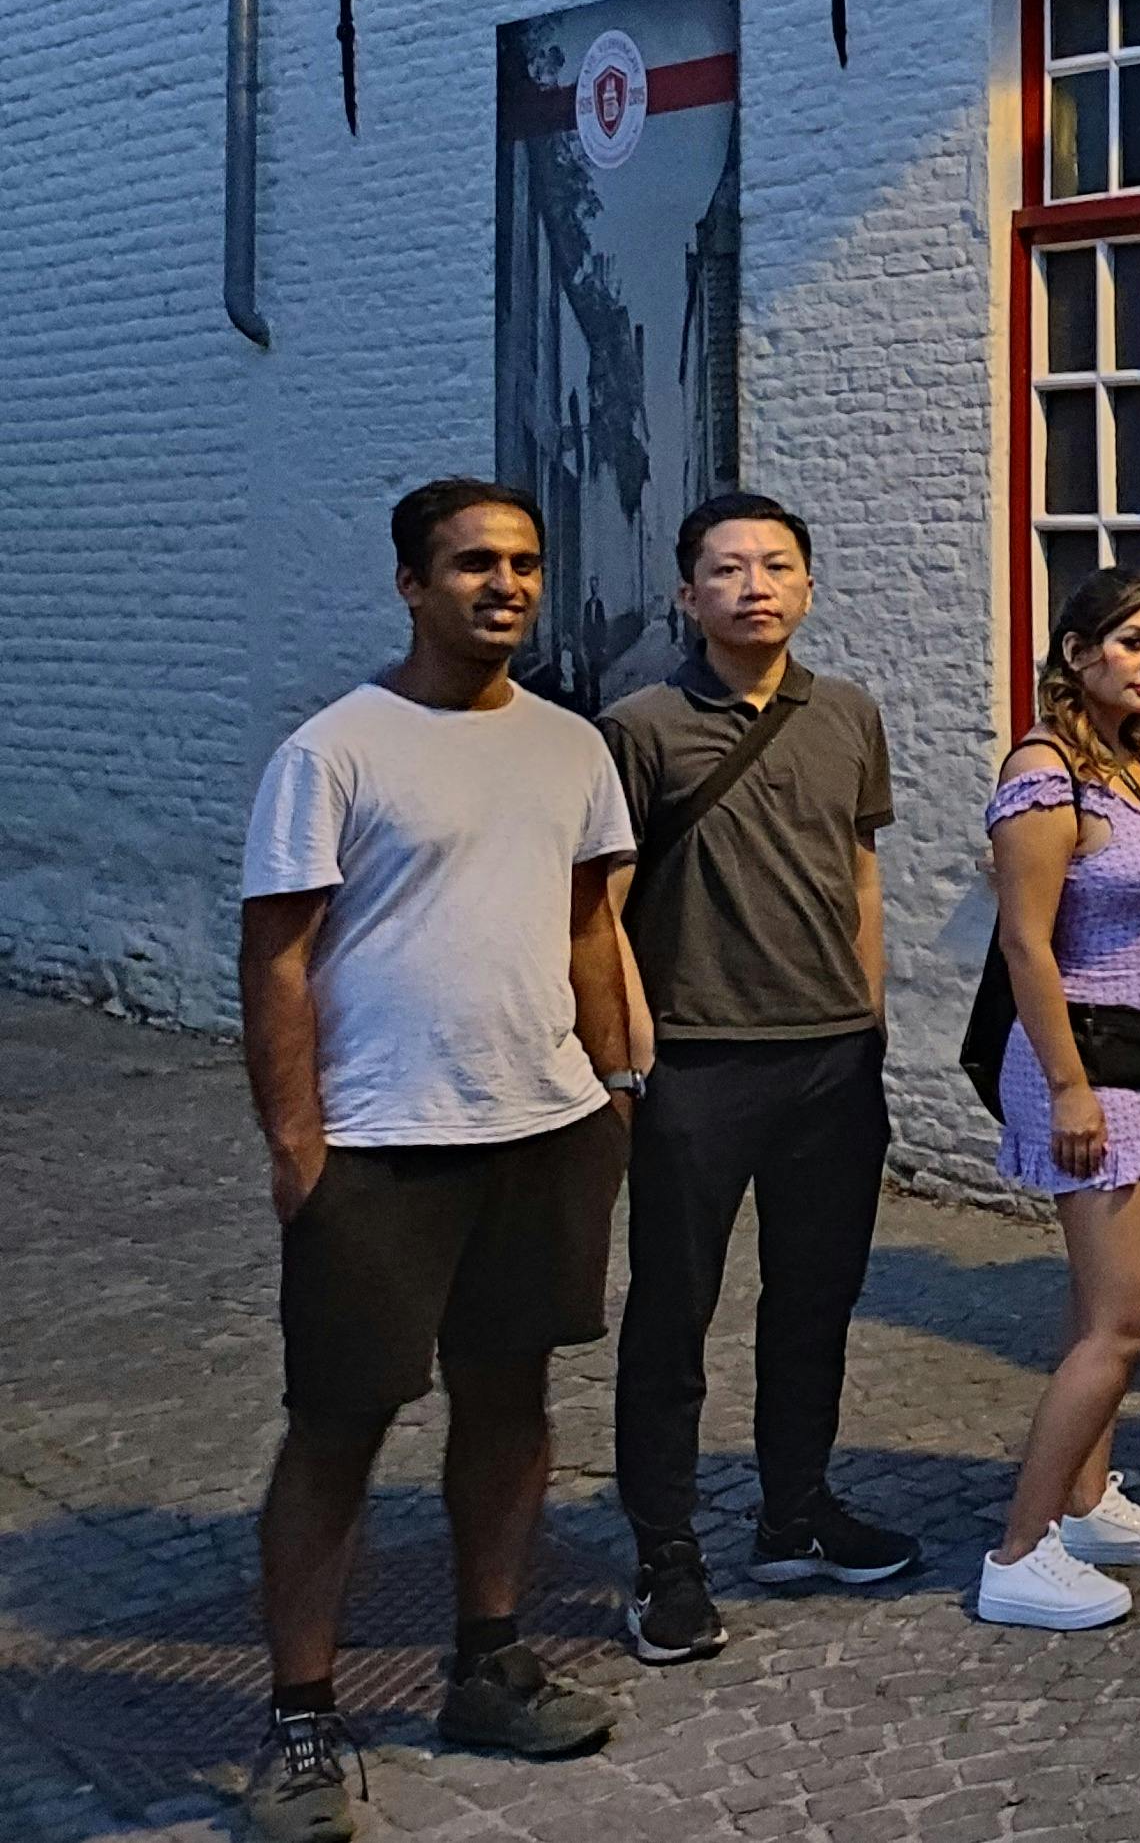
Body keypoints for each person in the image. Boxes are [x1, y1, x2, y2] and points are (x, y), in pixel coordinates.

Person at [235, 481, 643, 1842]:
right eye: (474, 563)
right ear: (412, 582)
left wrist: (615, 1085)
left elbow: (592, 928)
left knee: (512, 1399)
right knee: (341, 1424)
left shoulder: (572, 745)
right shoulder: (334, 751)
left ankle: (488, 1659)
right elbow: (278, 956)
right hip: (381, 1142)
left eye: (525, 562)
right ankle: (301, 1722)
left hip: (541, 1125)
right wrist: (300, 1145)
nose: (506, 584)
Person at [599, 491, 914, 1665]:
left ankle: (797, 1513)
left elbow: (862, 874)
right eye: (726, 570)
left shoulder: (847, 715)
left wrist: (869, 1019)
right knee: (673, 1318)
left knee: (813, 1301)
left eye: (777, 566)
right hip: (696, 1063)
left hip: (831, 1060)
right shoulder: (640, 728)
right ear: (689, 595)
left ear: (809, 587)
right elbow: (602, 914)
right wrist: (633, 1058)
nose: (754, 586)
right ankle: (665, 1559)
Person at [976, 567, 1140, 1630]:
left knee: (1098, 1306)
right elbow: (1026, 942)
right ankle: (1019, 1551)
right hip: (1093, 1071)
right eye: (1129, 642)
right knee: (1131, 1316)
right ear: (1075, 653)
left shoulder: (1139, 766)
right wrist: (1068, 1089)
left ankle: (1085, 1499)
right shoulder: (1043, 774)